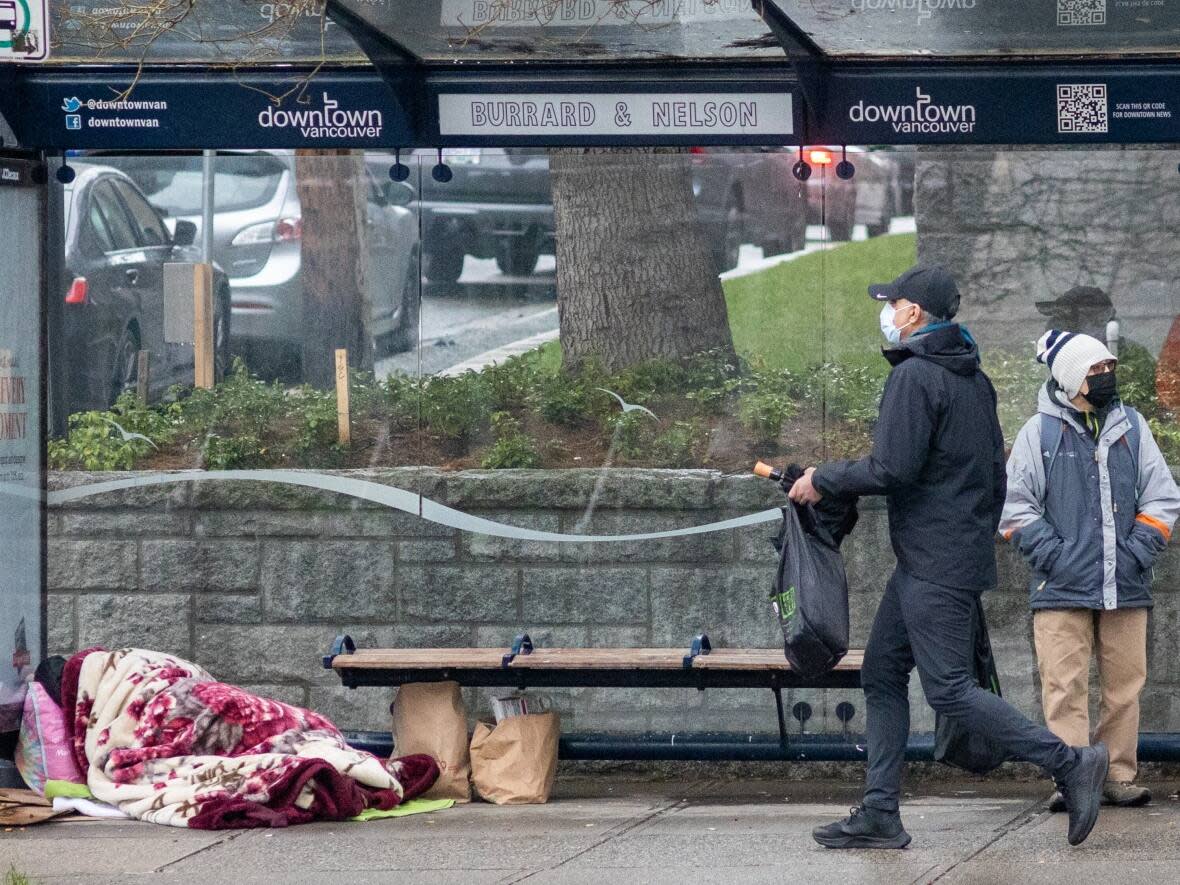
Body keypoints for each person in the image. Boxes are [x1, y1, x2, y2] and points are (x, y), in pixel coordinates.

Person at [789, 265, 1109, 850]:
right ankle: (881, 812)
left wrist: (822, 479)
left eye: (893, 302)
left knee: (950, 689)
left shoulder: (915, 377)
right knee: (881, 672)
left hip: (934, 561)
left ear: (913, 314)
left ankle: (1070, 761)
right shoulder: (973, 378)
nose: (887, 310)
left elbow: (891, 468)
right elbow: (993, 474)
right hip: (940, 556)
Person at [1001, 331, 1180, 810]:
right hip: (1059, 589)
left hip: (1126, 583)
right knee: (1064, 688)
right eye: (1095, 370)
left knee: (1126, 688)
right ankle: (1072, 777)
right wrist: (1057, 559)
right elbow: (1015, 508)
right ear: (1070, 378)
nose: (1106, 377)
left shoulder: (1133, 428)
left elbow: (1163, 498)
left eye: (1108, 368)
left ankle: (1119, 775)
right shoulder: (1037, 434)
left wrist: (1136, 552)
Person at [1036, 286, 1157, 414]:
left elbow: (1152, 408)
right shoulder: (1058, 362)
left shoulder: (1135, 356)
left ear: (1098, 319)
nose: (1056, 325)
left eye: (1066, 317)